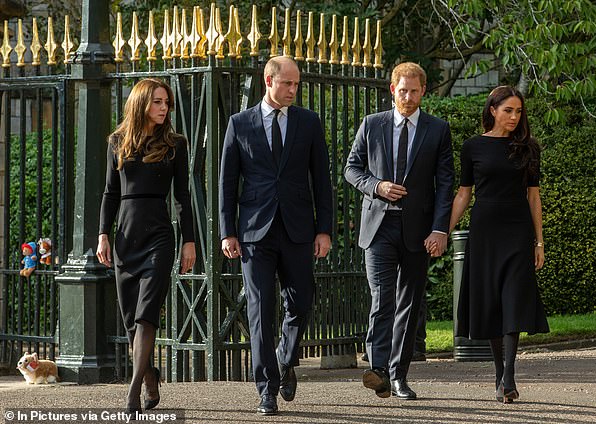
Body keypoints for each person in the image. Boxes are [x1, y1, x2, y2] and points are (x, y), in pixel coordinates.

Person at [219, 56, 333, 415]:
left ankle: (285, 358)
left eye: (296, 84)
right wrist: (228, 232)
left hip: (298, 228)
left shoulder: (309, 123)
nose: (293, 90)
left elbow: (322, 181)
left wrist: (324, 230)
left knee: (300, 303)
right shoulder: (240, 124)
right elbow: (226, 182)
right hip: (255, 231)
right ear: (268, 81)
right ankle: (266, 389)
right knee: (259, 308)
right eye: (287, 84)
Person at [345, 62, 454, 400]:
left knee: (409, 303)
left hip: (418, 230)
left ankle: (398, 376)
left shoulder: (437, 130)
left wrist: (440, 230)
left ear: (424, 91)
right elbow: (352, 169)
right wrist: (377, 186)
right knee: (383, 297)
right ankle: (377, 369)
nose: (408, 97)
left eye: (414, 91)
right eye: (402, 90)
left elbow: (446, 183)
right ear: (392, 90)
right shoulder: (372, 124)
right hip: (378, 226)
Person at [96, 78, 196, 413]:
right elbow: (110, 193)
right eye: (157, 102)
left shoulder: (175, 144)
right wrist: (103, 234)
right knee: (130, 320)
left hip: (159, 237)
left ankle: (133, 390)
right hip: (126, 235)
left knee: (146, 315)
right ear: (141, 103)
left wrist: (189, 242)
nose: (164, 107)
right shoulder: (117, 141)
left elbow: (183, 197)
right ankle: (150, 375)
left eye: (166, 102)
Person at [449, 85, 549, 404]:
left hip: (518, 231)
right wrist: (441, 231)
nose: (514, 117)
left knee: (514, 299)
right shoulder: (472, 147)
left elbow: (534, 195)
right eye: (508, 110)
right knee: (491, 301)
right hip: (485, 231)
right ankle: (499, 372)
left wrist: (539, 241)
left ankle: (508, 375)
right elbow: (464, 193)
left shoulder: (528, 148)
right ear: (493, 110)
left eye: (519, 111)